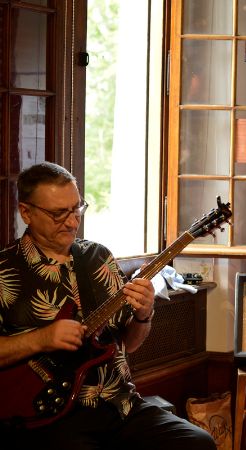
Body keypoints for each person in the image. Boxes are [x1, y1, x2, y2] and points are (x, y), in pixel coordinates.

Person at [0, 162, 216, 450]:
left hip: (120, 405)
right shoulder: (4, 271)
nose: (72, 222)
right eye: (57, 213)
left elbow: (130, 343)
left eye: (77, 208)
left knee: (198, 443)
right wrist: (42, 338)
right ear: (26, 212)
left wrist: (143, 314)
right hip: (52, 415)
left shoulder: (98, 258)